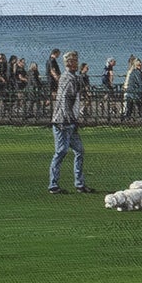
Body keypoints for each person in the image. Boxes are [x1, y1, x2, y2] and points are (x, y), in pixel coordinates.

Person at [48, 50, 92, 194]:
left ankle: (79, 184)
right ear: (69, 63)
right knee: (61, 152)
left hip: (68, 121)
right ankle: (53, 185)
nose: (77, 62)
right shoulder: (68, 78)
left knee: (79, 151)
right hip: (63, 122)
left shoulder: (72, 77)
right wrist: (70, 120)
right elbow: (65, 102)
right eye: (74, 60)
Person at [123, 55, 142, 121]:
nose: (140, 66)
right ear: (136, 65)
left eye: (140, 65)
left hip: (130, 92)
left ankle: (127, 117)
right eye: (139, 65)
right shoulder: (137, 73)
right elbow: (141, 83)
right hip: (135, 92)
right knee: (138, 104)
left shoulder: (134, 72)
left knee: (131, 106)